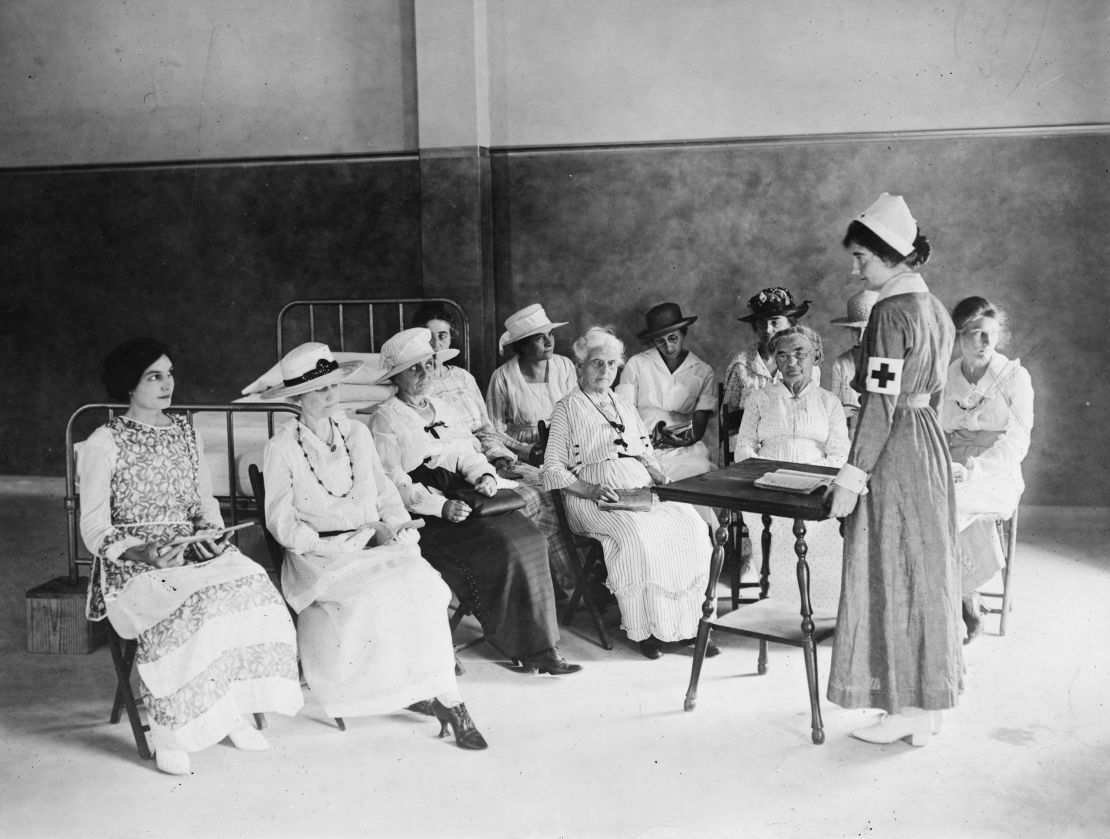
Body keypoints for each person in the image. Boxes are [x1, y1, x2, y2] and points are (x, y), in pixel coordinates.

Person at [78, 338, 303, 775]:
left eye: (170, 373)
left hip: (189, 550)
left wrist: (212, 537)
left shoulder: (186, 432)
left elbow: (205, 504)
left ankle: (230, 708)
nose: (167, 384)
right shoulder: (104, 441)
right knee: (195, 604)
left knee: (253, 584)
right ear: (129, 384)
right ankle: (173, 731)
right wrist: (141, 551)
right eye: (154, 376)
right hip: (133, 566)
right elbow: (93, 528)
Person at [261, 342, 487, 750]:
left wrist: (400, 527)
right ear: (297, 397)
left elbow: (384, 493)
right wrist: (324, 546)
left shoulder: (358, 433)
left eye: (334, 385)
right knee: (378, 593)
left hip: (369, 542)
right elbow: (281, 522)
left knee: (424, 583)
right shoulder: (282, 448)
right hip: (317, 557)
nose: (332, 396)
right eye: (320, 390)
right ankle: (414, 694)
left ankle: (442, 694)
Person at [825, 193, 960, 747]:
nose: (855, 269)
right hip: (927, 445)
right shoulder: (938, 310)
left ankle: (905, 707)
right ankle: (923, 706)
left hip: (895, 451)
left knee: (891, 568)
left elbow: (878, 406)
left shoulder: (889, 312)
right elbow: (933, 392)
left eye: (861, 257)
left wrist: (850, 480)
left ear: (888, 255)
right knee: (923, 570)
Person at [369, 328, 582, 676]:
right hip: (429, 512)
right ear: (396, 376)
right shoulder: (385, 418)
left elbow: (466, 453)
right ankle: (527, 647)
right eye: (414, 369)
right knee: (504, 547)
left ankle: (542, 646)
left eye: (428, 364)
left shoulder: (443, 407)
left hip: (467, 497)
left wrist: (483, 475)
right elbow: (393, 482)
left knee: (531, 538)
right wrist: (440, 508)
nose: (425, 375)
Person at [541, 326, 714, 660]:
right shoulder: (568, 407)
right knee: (639, 535)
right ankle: (648, 630)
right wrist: (590, 490)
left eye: (610, 364)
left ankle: (688, 626)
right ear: (580, 367)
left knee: (691, 523)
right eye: (596, 363)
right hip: (591, 498)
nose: (604, 371)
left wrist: (658, 474)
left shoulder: (624, 405)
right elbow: (552, 469)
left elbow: (645, 452)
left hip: (638, 490)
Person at [411, 303, 576, 594]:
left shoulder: (463, 378)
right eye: (430, 337)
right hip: (459, 467)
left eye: (444, 336)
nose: (437, 344)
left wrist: (500, 456)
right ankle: (559, 584)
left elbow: (487, 429)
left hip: (490, 456)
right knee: (530, 499)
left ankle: (561, 581)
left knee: (551, 485)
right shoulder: (417, 388)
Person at [733, 326, 849, 613]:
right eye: (782, 356)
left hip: (815, 487)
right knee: (774, 532)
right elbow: (744, 447)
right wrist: (764, 475)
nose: (791, 363)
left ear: (816, 357)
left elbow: (839, 454)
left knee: (821, 535)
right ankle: (778, 611)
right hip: (766, 486)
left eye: (800, 354)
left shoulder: (829, 402)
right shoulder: (759, 399)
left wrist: (806, 477)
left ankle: (822, 611)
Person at [941, 297, 1034, 644]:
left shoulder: (1014, 376)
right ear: (958, 336)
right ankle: (961, 595)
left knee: (952, 504)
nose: (982, 344)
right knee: (929, 497)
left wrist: (975, 469)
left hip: (997, 469)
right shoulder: (948, 375)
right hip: (952, 462)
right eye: (973, 335)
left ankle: (964, 599)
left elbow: (1017, 442)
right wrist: (947, 463)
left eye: (989, 336)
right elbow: (938, 429)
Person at [615, 302, 716, 483]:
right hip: (642, 443)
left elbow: (700, 423)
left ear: (683, 332)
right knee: (640, 475)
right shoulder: (637, 364)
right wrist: (640, 442)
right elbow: (624, 412)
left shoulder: (703, 371)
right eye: (660, 341)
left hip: (683, 445)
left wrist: (684, 441)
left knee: (700, 469)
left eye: (673, 338)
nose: (668, 347)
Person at [722, 287, 818, 457]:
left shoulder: (806, 363)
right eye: (761, 323)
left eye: (775, 322)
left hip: (792, 440)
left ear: (791, 324)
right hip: (750, 442)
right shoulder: (742, 365)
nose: (768, 330)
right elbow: (728, 418)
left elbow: (811, 414)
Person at [486, 304, 577, 464]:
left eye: (551, 334)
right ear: (522, 345)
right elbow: (494, 429)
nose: (549, 342)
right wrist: (525, 450)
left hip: (563, 447)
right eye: (539, 337)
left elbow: (576, 413)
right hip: (519, 452)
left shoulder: (565, 366)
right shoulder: (502, 376)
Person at [828, 289, 879, 434]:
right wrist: (843, 412)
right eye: (856, 330)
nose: (861, 336)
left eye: (867, 329)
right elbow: (835, 407)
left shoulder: (888, 363)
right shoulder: (842, 363)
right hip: (850, 434)